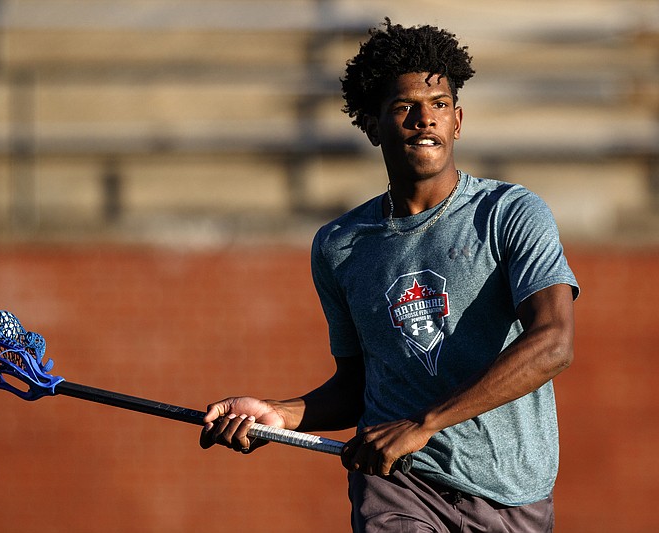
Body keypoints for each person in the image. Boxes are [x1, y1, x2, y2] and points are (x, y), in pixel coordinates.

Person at [200, 19, 579, 532]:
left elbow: (554, 342)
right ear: (373, 125)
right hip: (397, 482)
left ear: (458, 120)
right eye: (405, 107)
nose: (425, 120)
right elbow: (357, 386)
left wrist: (424, 424)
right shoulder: (338, 246)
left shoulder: (510, 212)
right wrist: (278, 415)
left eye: (439, 105)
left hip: (510, 493)